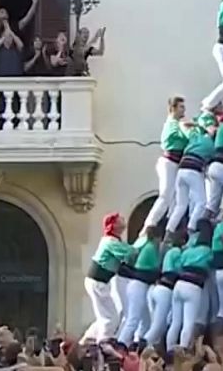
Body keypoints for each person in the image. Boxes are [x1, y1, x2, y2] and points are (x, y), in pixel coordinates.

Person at [81, 213, 132, 343]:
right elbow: (130, 252)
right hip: (99, 282)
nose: (123, 219)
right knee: (111, 318)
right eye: (119, 219)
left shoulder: (112, 241)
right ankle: (103, 344)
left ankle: (87, 340)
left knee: (103, 316)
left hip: (98, 281)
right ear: (113, 225)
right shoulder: (110, 242)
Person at [144, 97, 189, 229]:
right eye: (181, 107)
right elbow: (182, 136)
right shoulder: (172, 124)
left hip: (175, 163)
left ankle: (170, 225)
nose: (184, 109)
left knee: (175, 197)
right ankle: (149, 225)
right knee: (165, 195)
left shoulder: (177, 124)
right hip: (169, 162)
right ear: (172, 109)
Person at [117, 226, 165, 347]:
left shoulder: (146, 246)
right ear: (157, 238)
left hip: (138, 286)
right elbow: (155, 269)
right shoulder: (150, 249)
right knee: (133, 319)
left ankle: (137, 345)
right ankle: (121, 345)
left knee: (145, 321)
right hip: (139, 286)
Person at [169, 223, 214, 349]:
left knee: (175, 322)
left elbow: (179, 265)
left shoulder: (188, 251)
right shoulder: (209, 252)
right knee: (188, 323)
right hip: (193, 287)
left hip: (179, 284)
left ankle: (169, 350)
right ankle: (183, 350)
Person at [167, 115, 214, 234]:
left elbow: (183, 124)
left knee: (181, 205)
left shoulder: (195, 136)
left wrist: (199, 126)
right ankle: (191, 228)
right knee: (202, 202)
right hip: (193, 170)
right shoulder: (212, 145)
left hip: (181, 170)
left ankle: (169, 231)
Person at [145, 233, 183, 350]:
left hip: (156, 288)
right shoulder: (177, 252)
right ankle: (141, 347)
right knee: (158, 326)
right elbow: (180, 268)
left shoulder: (168, 252)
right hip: (166, 290)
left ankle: (151, 349)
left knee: (156, 323)